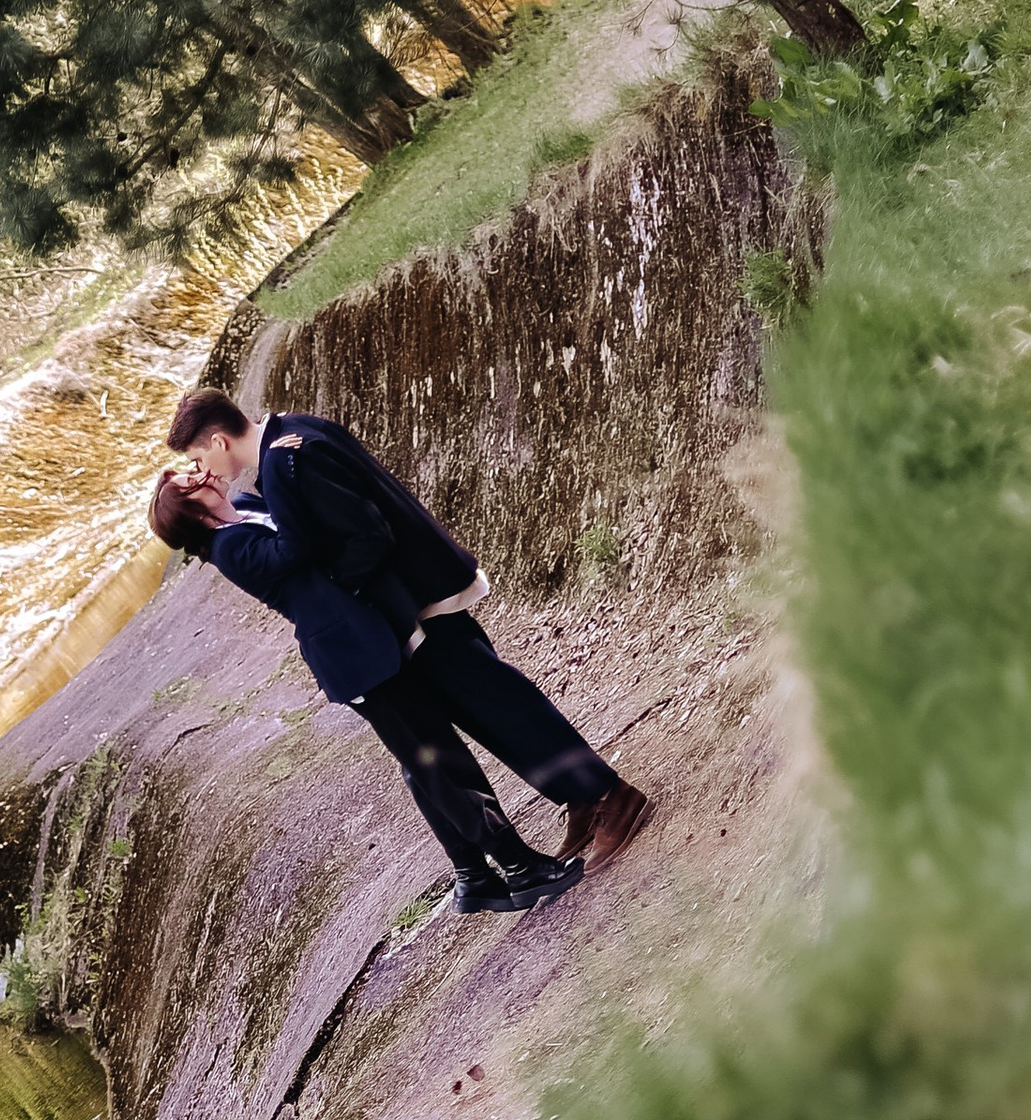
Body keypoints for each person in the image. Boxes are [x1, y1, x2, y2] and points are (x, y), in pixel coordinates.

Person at [149, 386, 654, 912]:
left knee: (495, 705)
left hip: (410, 603)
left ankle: (603, 796)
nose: (201, 470)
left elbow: (365, 534)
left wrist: (361, 600)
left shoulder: (280, 467)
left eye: (195, 459)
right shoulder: (293, 439)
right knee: (460, 731)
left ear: (215, 440)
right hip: (394, 618)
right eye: (190, 473)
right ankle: (573, 802)